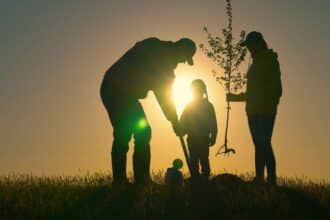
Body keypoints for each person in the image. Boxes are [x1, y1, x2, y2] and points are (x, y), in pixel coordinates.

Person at [100, 37, 196, 185]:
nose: (182, 62)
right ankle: (122, 181)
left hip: (127, 94)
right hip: (115, 89)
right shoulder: (159, 55)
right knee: (123, 133)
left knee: (142, 132)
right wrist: (174, 121)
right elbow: (164, 97)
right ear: (179, 49)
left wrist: (174, 120)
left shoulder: (161, 56)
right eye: (184, 58)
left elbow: (163, 94)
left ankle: (140, 179)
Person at [227, 31, 282, 184]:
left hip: (265, 111)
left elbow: (277, 90)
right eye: (248, 46)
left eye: (250, 45)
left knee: (264, 143)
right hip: (252, 111)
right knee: (259, 145)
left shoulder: (270, 61)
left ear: (258, 44)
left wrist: (269, 105)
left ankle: (271, 179)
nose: (249, 49)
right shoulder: (255, 63)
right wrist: (235, 98)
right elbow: (252, 93)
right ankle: (259, 178)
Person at [180, 79, 217, 179]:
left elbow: (213, 123)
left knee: (204, 158)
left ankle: (205, 177)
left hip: (204, 138)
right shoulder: (189, 106)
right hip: (192, 138)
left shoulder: (208, 106)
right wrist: (181, 130)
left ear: (203, 91)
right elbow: (183, 120)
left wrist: (214, 136)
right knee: (194, 159)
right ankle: (195, 177)